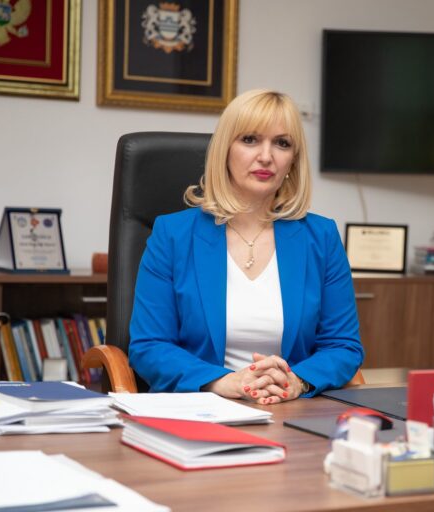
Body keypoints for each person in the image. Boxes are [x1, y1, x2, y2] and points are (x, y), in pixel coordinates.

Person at [128, 89, 364, 404]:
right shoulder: (172, 235)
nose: (266, 156)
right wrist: (223, 381)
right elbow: (149, 346)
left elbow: (343, 346)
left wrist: (297, 382)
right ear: (225, 150)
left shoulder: (321, 237)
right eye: (250, 139)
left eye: (282, 143)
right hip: (199, 409)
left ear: (293, 160)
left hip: (291, 409)